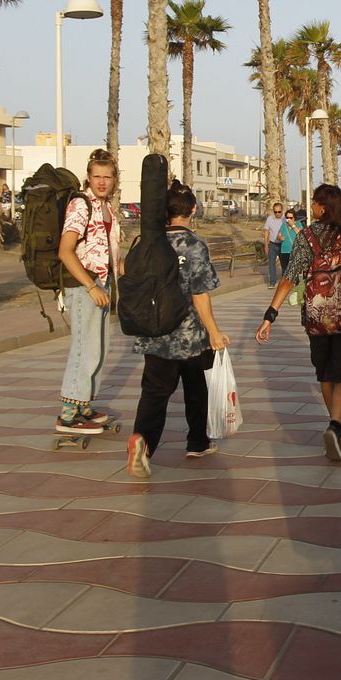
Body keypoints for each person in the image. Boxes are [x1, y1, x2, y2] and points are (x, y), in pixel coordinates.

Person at [126, 180, 229, 479]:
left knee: (155, 393)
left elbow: (127, 273)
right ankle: (197, 441)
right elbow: (200, 293)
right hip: (190, 336)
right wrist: (214, 331)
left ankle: (143, 441)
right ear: (193, 209)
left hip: (154, 333)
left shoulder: (146, 241)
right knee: (196, 389)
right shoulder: (195, 245)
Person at [257, 184, 341, 463]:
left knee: (324, 371)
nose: (313, 207)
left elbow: (290, 276)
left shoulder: (306, 236)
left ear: (323, 207)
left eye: (316, 203)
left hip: (316, 319)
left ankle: (334, 423)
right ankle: (336, 423)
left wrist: (271, 314)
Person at [55, 149, 121, 436]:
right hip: (84, 286)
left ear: (115, 179)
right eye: (97, 176)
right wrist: (91, 285)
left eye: (107, 177)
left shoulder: (107, 207)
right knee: (84, 347)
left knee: (99, 347)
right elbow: (65, 252)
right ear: (88, 177)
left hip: (102, 284)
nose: (102, 181)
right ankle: (68, 414)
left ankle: (83, 405)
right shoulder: (81, 205)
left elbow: (111, 252)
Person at [262, 203, 285, 288]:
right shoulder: (269, 219)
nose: (277, 214)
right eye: (275, 212)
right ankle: (272, 282)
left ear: (282, 211)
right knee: (271, 263)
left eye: (279, 212)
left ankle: (283, 282)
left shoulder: (285, 219)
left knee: (284, 264)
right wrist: (266, 245)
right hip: (272, 244)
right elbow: (266, 232)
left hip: (282, 245)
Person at [277, 202, 301, 278]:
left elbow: (300, 234)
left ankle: (295, 284)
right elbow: (279, 235)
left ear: (294, 218)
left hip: (294, 250)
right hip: (284, 250)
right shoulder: (284, 225)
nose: (289, 220)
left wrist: (293, 225)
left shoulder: (298, 224)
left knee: (294, 269)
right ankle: (284, 284)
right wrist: (280, 237)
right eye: (287, 218)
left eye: (291, 218)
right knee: (285, 269)